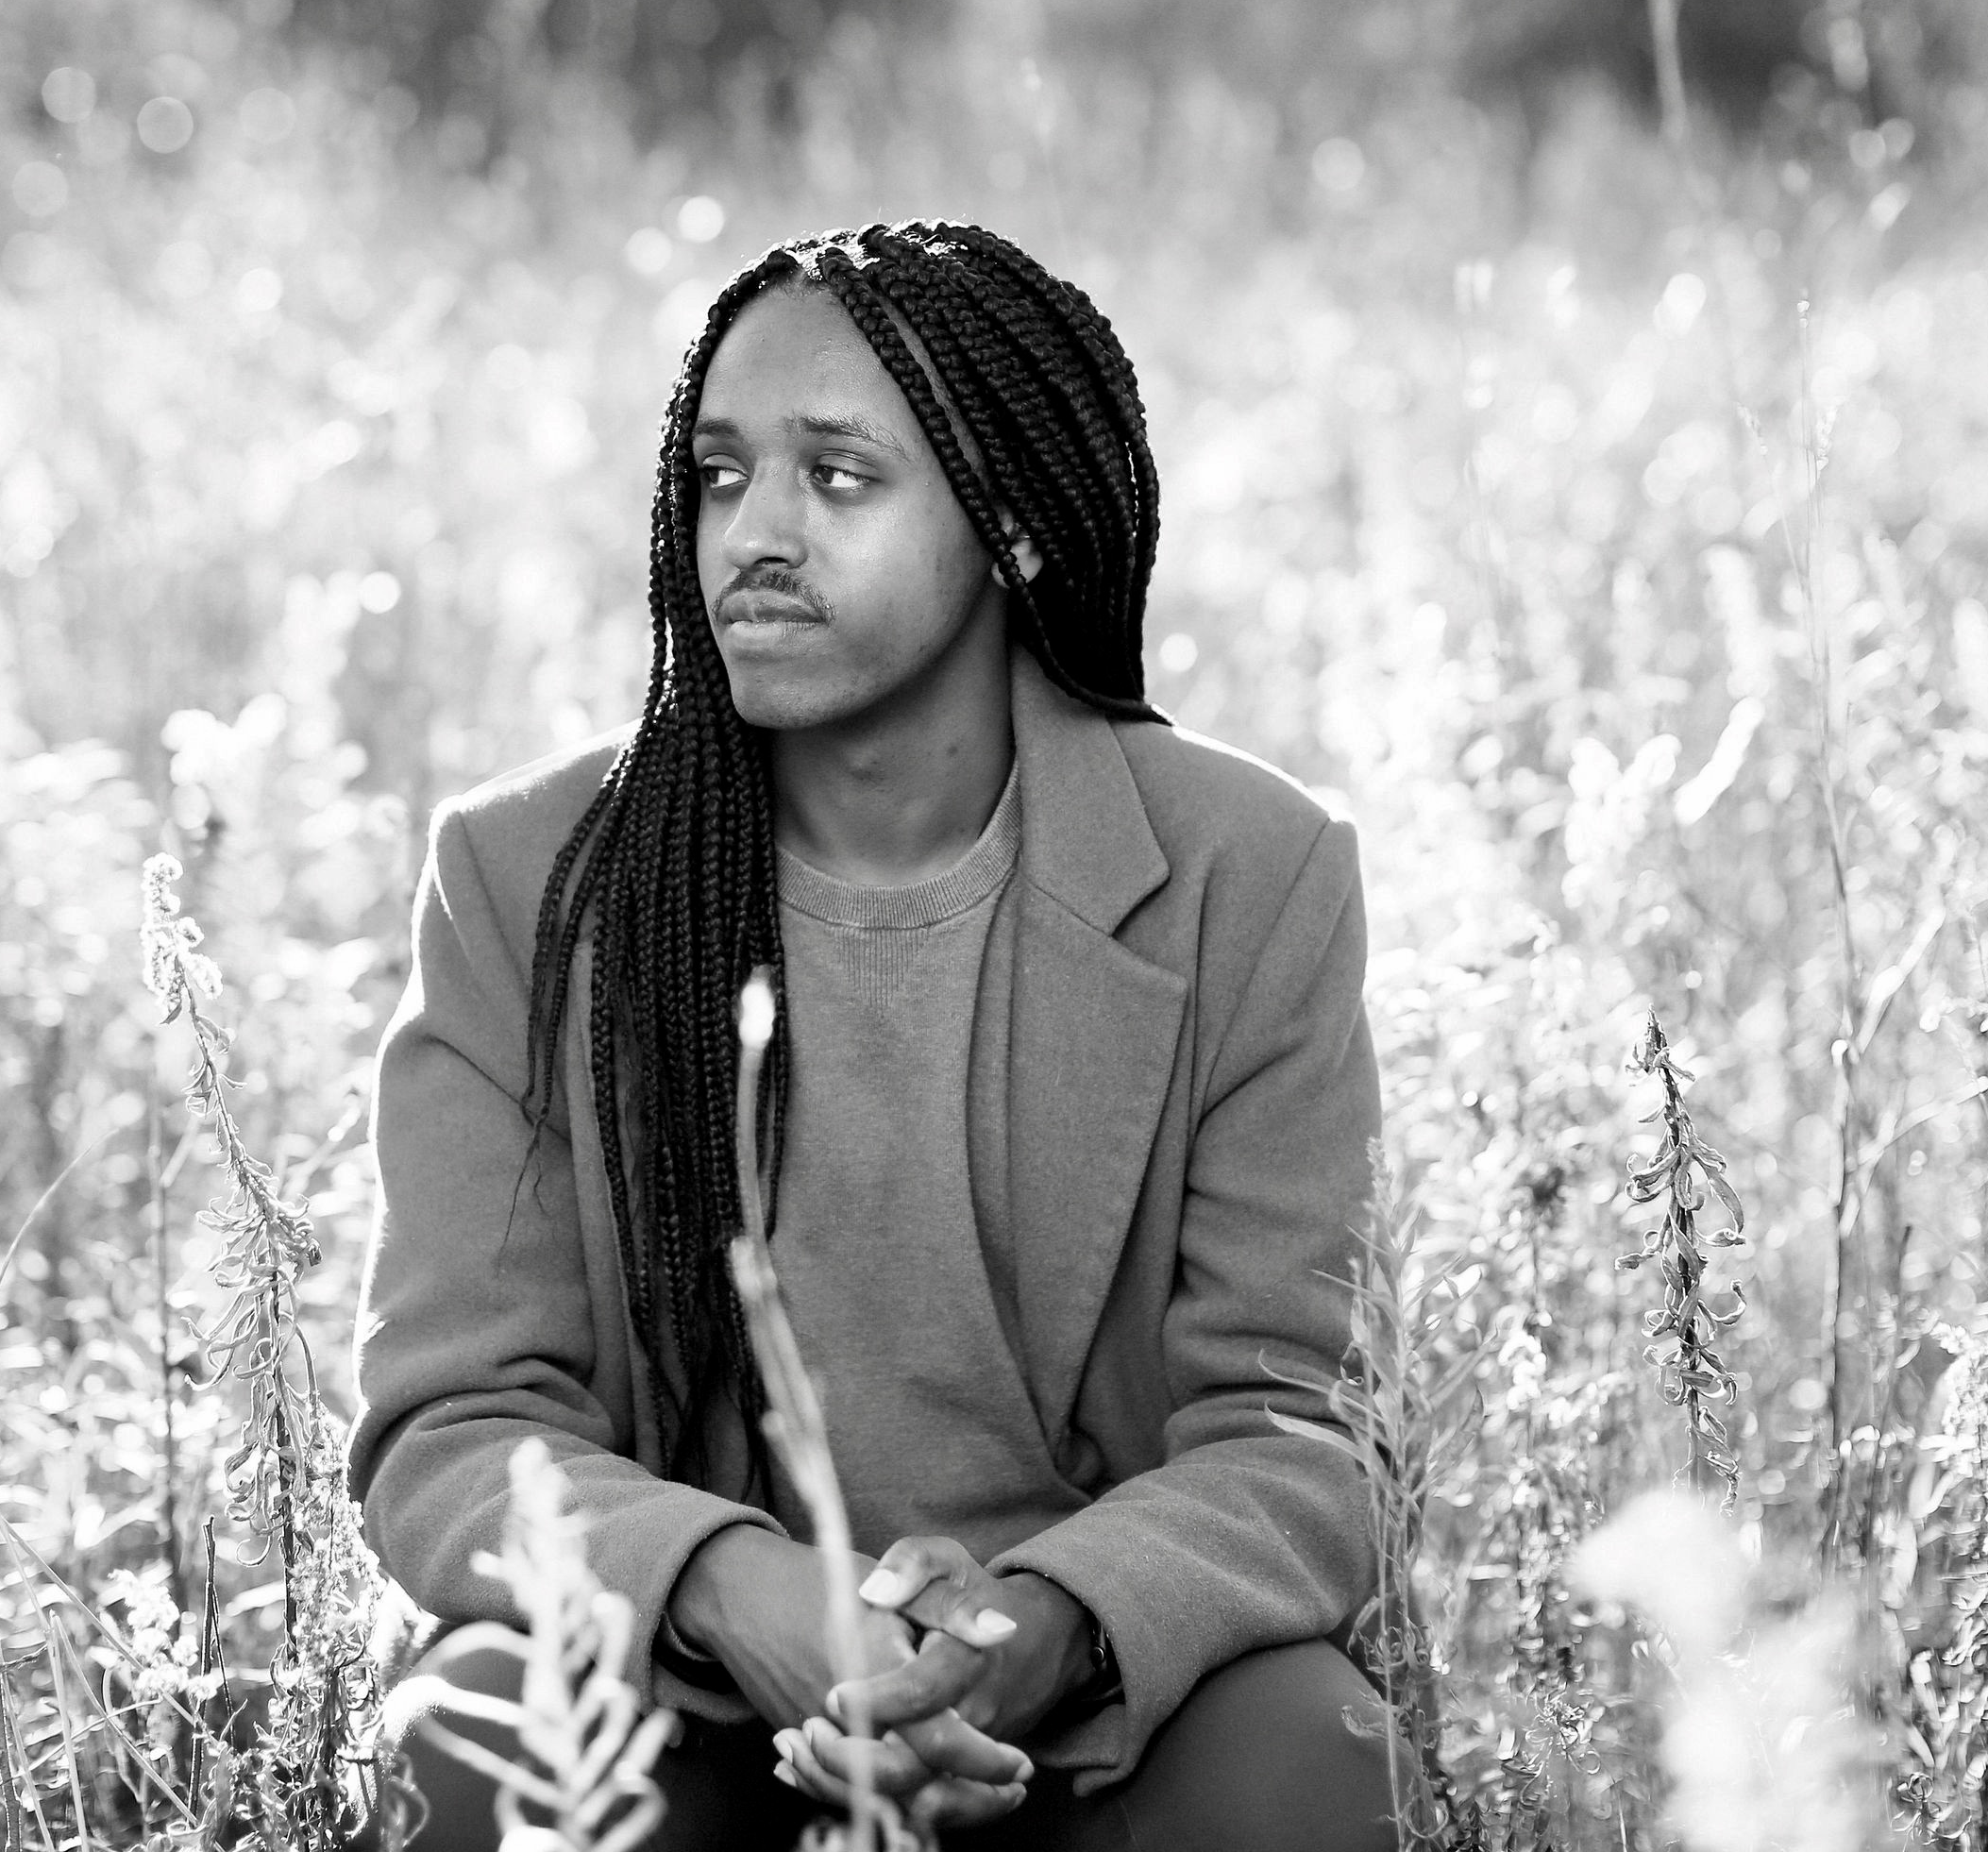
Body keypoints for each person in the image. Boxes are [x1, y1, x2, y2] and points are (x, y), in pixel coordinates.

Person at [349, 221, 1394, 1848]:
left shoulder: (1247, 877)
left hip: (1095, 1715)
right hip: (684, 1706)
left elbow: (1294, 1434)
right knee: (459, 1744)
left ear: (1020, 533)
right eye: (718, 475)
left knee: (1321, 1757)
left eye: (839, 477)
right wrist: (732, 1586)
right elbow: (456, 1428)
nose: (753, 534)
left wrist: (1044, 1628)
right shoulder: (527, 884)